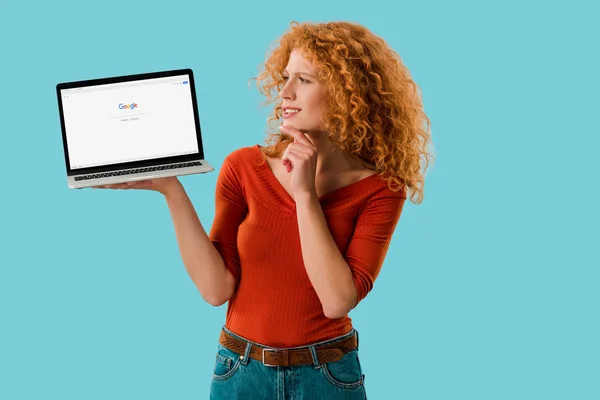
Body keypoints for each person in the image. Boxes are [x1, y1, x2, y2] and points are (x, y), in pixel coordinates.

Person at [95, 20, 433, 400]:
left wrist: (305, 194)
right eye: (286, 77)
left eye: (304, 80)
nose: (285, 92)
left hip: (328, 375)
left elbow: (337, 300)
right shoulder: (243, 168)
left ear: (346, 92)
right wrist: (171, 190)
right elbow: (215, 289)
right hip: (239, 370)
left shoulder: (380, 190)